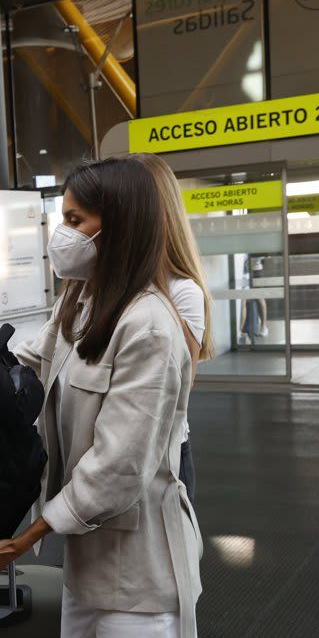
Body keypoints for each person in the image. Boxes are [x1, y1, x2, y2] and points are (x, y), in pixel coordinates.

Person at [0, 157, 201, 638]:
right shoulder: (81, 299)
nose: (62, 234)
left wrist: (24, 541)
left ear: (120, 225)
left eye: (75, 220)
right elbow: (28, 366)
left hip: (139, 572)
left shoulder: (149, 323)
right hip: (85, 559)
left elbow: (119, 467)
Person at [133, 153, 213, 503]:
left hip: (164, 461)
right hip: (114, 457)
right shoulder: (103, 286)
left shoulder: (183, 291)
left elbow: (175, 389)